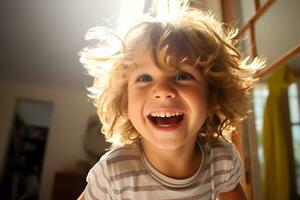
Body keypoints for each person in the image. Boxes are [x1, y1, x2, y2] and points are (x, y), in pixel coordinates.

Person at [79, 6, 263, 200]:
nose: (163, 91)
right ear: (125, 102)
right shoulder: (112, 173)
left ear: (212, 95)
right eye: (144, 78)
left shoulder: (222, 161)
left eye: (182, 75)